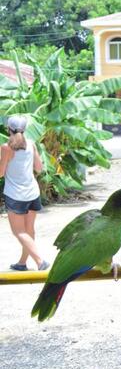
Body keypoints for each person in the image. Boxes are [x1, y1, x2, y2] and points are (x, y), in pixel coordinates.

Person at [0, 115, 50, 271]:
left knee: (19, 232)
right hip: (32, 192)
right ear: (25, 129)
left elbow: (1, 173)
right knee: (29, 230)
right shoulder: (31, 144)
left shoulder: (6, 147)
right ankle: (22, 263)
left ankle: (40, 261)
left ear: (8, 129)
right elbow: (39, 168)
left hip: (15, 195)